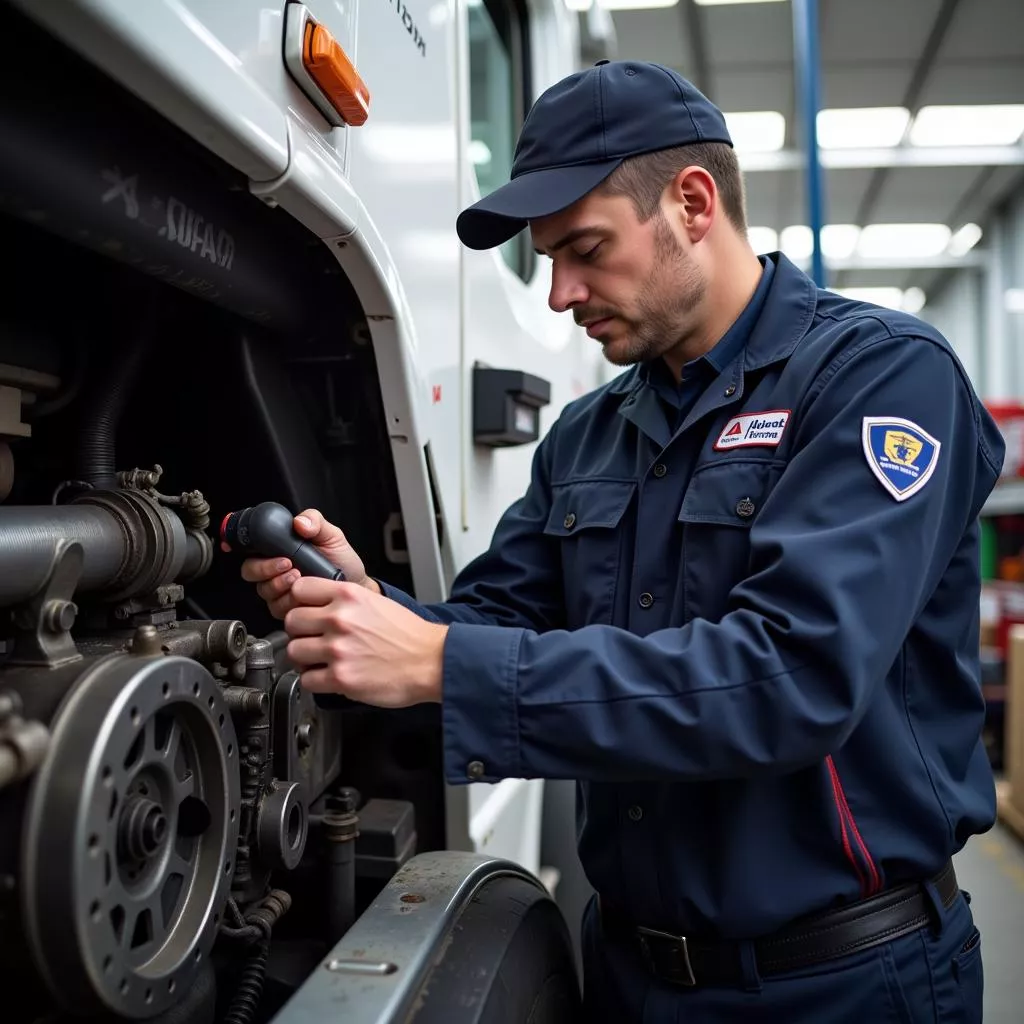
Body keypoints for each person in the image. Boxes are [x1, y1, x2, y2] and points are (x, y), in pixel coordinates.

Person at [238, 60, 1004, 1022]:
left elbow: (793, 678)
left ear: (691, 202)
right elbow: (489, 631)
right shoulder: (591, 434)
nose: (561, 294)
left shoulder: (878, 380)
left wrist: (439, 657)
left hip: (838, 986)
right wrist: (369, 615)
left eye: (585, 250)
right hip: (625, 977)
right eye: (547, 260)